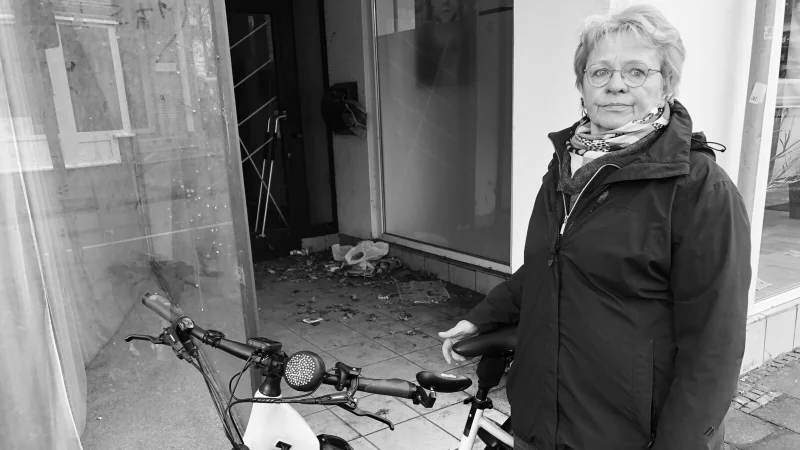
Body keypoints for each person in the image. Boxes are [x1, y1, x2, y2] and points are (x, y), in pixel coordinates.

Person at [439, 5, 751, 450]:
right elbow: (550, 265)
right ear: (582, 86)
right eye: (599, 71)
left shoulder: (698, 187)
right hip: (541, 417)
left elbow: (713, 348)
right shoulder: (566, 168)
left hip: (626, 434)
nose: (616, 84)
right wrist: (481, 317)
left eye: (637, 71)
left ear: (667, 83)